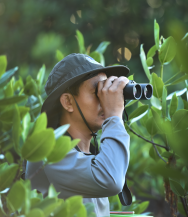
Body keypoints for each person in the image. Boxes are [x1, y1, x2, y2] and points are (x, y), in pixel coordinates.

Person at [25, 53, 131, 217]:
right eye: (97, 91)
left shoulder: (87, 153)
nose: (105, 98)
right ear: (68, 102)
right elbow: (112, 181)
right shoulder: (50, 151)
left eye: (106, 90)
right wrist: (114, 117)